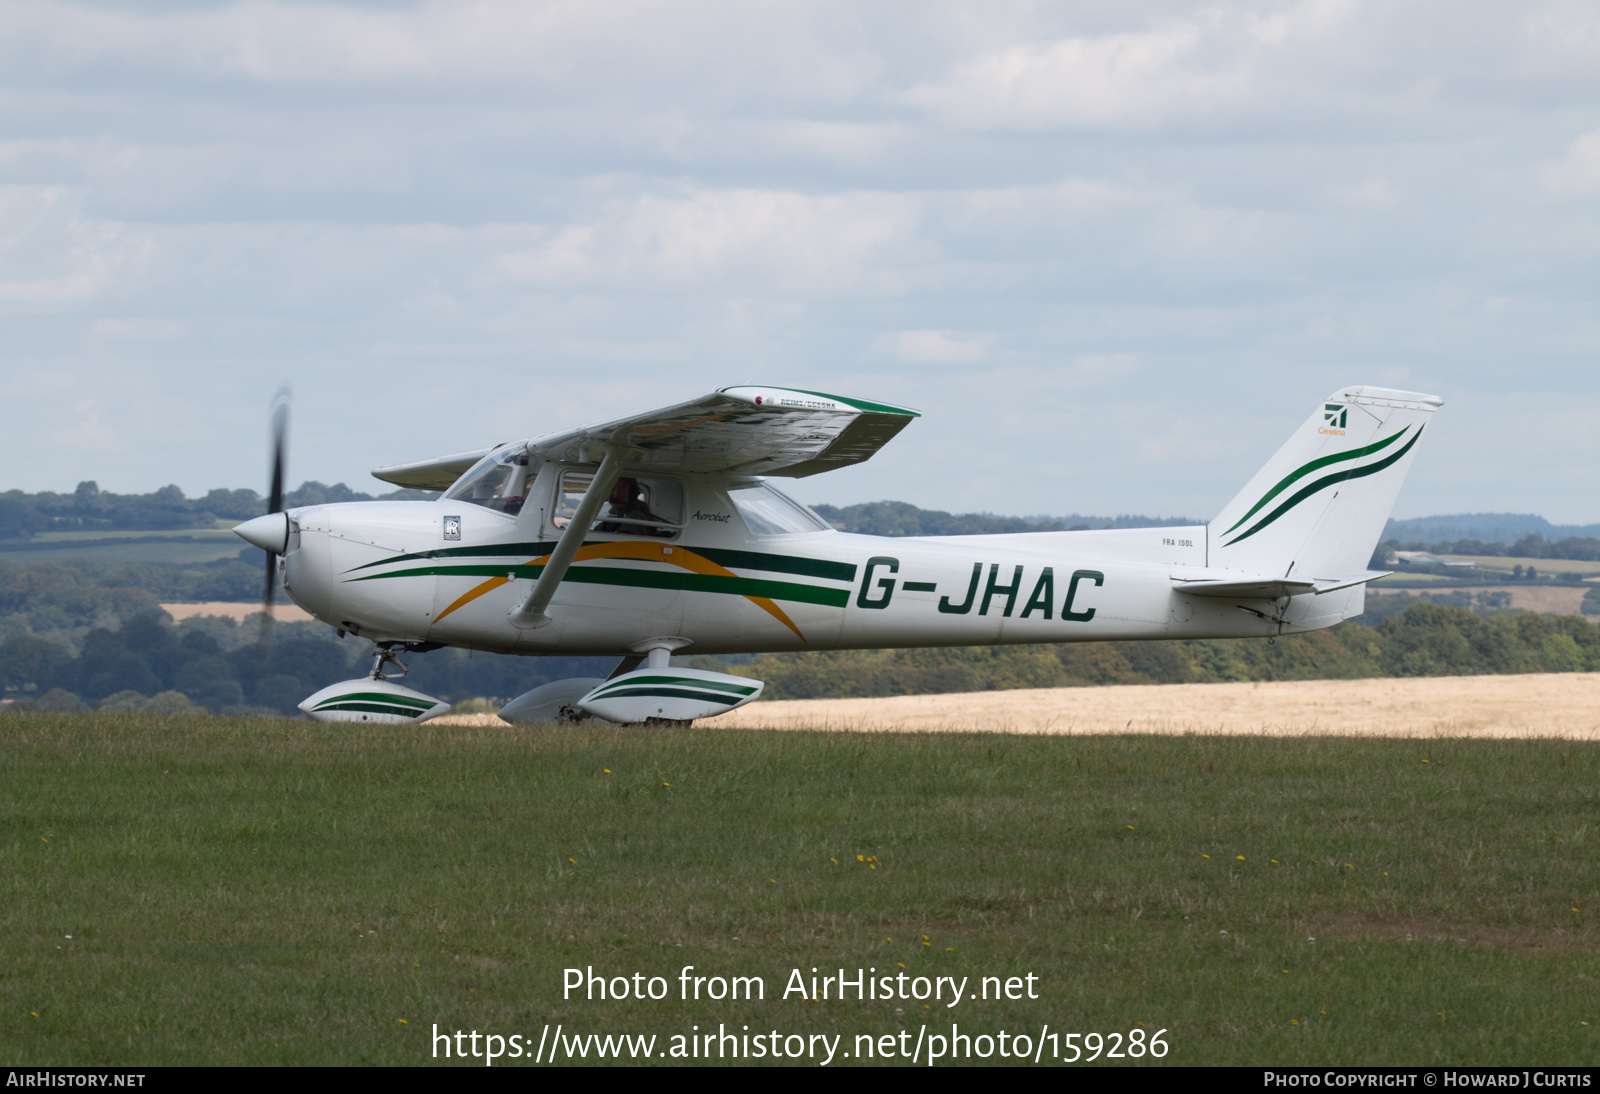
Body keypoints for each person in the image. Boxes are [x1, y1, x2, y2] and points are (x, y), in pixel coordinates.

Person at [595, 478, 669, 536]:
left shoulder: (635, 518)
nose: (616, 494)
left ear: (632, 493)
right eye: (612, 488)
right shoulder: (617, 516)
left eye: (622, 488)